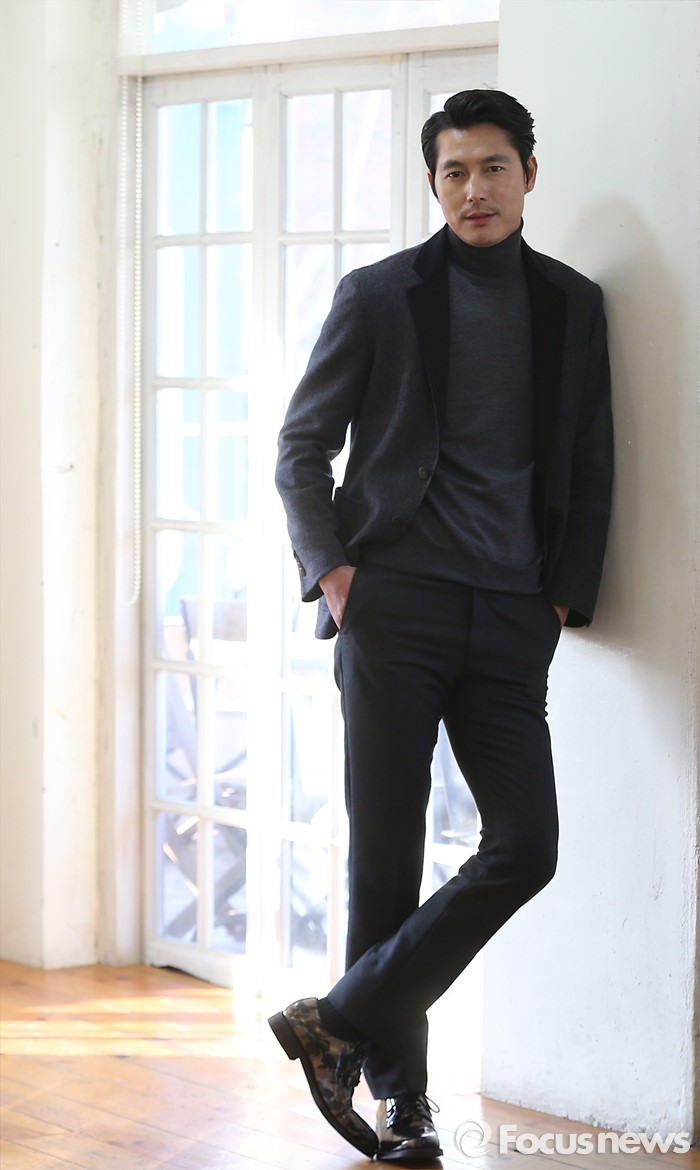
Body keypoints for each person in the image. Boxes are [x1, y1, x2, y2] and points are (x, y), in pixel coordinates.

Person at [269, 89, 613, 1162]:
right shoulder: (380, 296)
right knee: (387, 857)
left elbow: (590, 460)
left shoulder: (572, 304)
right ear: (433, 182)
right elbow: (302, 446)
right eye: (454, 171)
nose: (475, 189)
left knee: (527, 846)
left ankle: (335, 1020)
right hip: (396, 609)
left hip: (512, 617)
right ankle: (402, 1104)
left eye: (493, 167)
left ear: (529, 174)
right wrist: (334, 574)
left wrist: (560, 599)